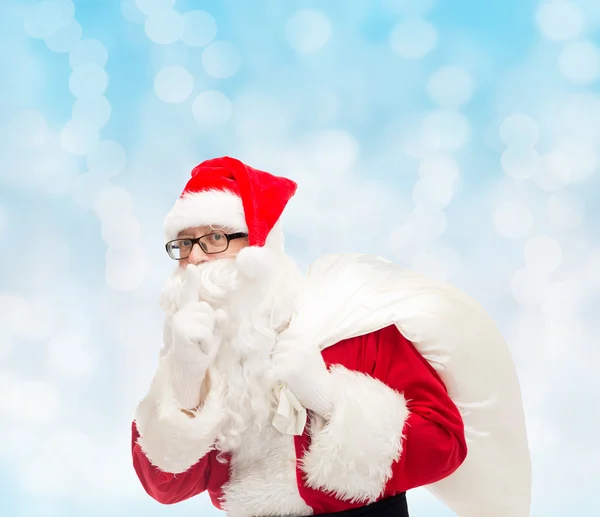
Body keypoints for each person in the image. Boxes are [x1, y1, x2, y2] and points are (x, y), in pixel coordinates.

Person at [131, 157, 531, 517]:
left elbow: (443, 447)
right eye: (184, 244)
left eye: (216, 238)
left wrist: (328, 396)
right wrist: (182, 385)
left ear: (259, 246)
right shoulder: (196, 350)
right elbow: (166, 487)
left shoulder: (350, 323)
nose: (196, 258)